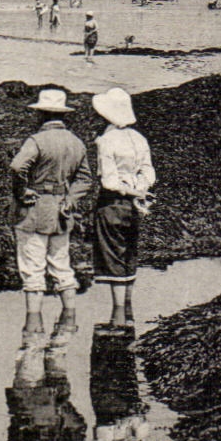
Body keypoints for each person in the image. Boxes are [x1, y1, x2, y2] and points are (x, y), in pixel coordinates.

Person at [9, 90, 93, 343]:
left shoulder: (37, 140)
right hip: (61, 210)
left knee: (33, 270)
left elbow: (16, 167)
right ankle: (67, 329)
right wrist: (70, 200)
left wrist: (22, 191)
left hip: (35, 210)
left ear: (41, 114)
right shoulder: (76, 142)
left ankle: (32, 335)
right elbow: (85, 178)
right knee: (62, 266)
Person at [91, 88, 156, 338]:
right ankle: (128, 315)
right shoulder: (139, 139)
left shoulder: (106, 141)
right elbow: (149, 173)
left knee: (112, 255)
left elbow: (108, 182)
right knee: (129, 253)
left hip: (112, 203)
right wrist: (139, 190)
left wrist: (126, 190)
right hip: (135, 206)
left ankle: (118, 318)